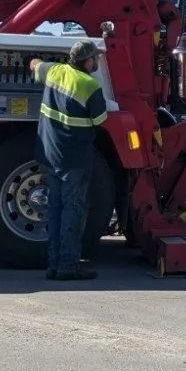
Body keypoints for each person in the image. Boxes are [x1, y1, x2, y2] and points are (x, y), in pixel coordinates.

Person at [30, 40, 108, 281]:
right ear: (88, 61)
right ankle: (68, 266)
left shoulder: (53, 71)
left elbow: (34, 64)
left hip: (49, 154)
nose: (97, 62)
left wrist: (35, 62)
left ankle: (53, 265)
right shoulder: (89, 85)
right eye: (96, 58)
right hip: (74, 158)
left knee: (53, 209)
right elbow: (100, 120)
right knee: (73, 211)